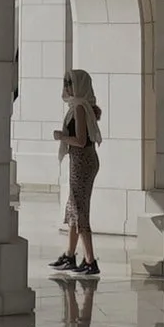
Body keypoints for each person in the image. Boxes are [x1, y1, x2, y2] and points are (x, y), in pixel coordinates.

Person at [52, 66, 102, 278]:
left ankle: (90, 260)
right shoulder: (78, 107)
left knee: (79, 209)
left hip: (82, 161)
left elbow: (81, 141)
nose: (66, 87)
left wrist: (61, 137)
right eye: (66, 82)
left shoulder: (80, 108)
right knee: (73, 206)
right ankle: (70, 254)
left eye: (70, 83)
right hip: (80, 161)